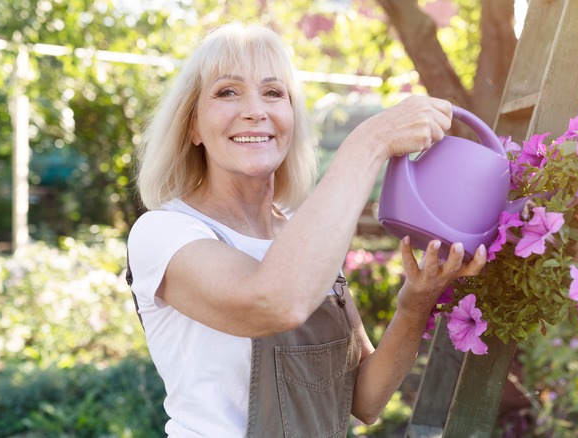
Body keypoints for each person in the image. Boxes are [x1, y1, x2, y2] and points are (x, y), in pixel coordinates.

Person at [126, 21, 487, 437]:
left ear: (291, 119)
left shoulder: (301, 233)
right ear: (192, 127)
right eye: (228, 91)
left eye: (274, 93)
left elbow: (365, 401)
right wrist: (370, 141)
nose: (255, 110)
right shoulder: (164, 233)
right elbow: (275, 302)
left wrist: (415, 302)